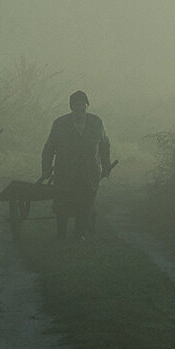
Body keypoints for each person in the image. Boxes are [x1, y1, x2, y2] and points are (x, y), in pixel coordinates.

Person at [41, 90, 112, 240]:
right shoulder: (60, 124)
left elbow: (104, 146)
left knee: (86, 203)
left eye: (82, 106)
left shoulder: (96, 123)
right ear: (71, 107)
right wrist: (46, 169)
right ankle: (61, 234)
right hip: (65, 173)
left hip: (90, 172)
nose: (80, 109)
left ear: (87, 106)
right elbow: (49, 148)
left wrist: (106, 166)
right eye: (76, 105)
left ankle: (79, 234)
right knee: (63, 204)